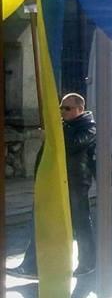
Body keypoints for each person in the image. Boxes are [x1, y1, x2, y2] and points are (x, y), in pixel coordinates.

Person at [9, 93, 98, 279]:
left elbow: (72, 145)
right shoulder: (62, 126)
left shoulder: (89, 127)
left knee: (80, 223)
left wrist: (51, 135)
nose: (62, 111)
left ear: (80, 109)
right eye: (61, 108)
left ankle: (88, 262)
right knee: (40, 221)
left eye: (67, 108)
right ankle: (31, 265)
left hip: (75, 182)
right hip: (54, 180)